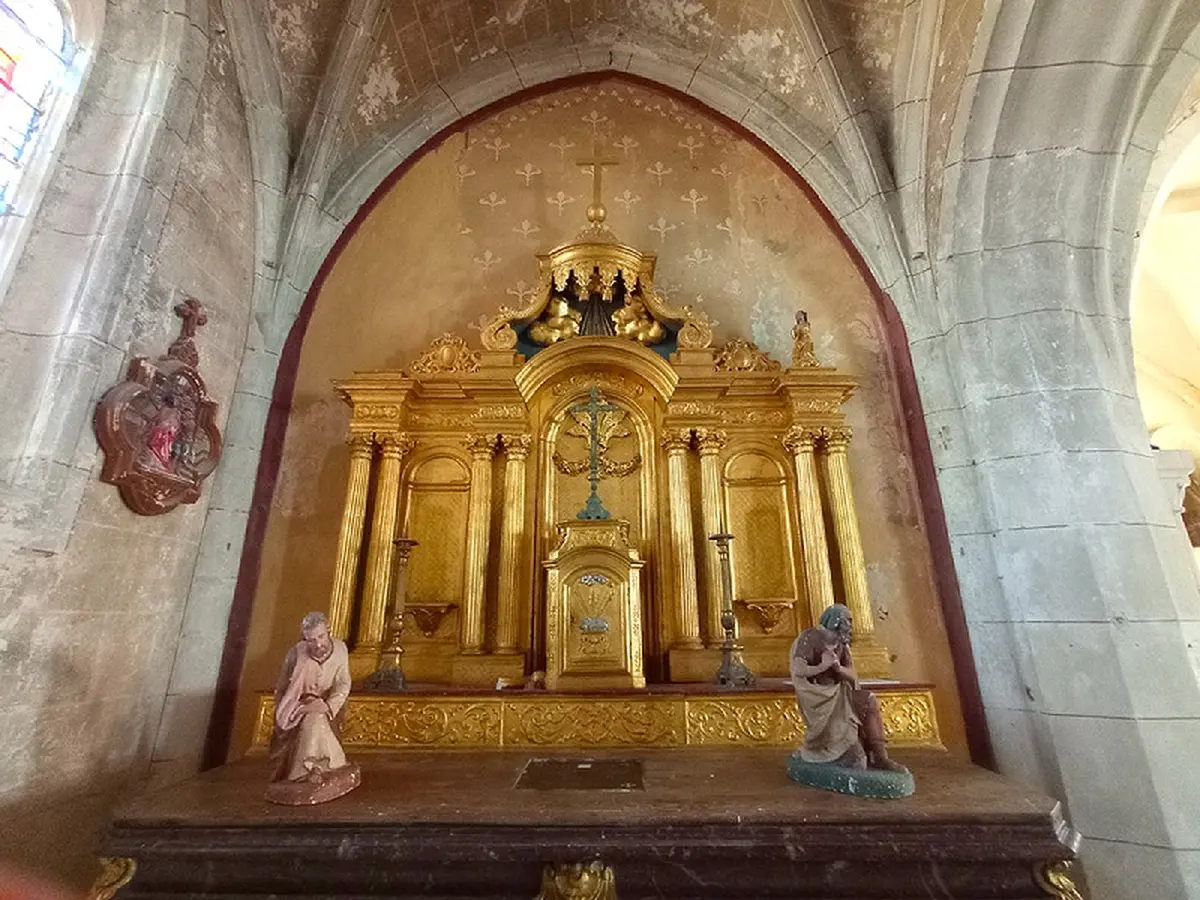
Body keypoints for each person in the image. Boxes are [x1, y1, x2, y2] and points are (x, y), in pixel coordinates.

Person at [790, 603, 904, 771]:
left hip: (840, 695)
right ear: (835, 620)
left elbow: (852, 675)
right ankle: (841, 751)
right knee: (857, 761)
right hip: (819, 698)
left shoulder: (841, 644)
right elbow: (799, 670)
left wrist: (837, 668)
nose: (851, 625)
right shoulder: (811, 638)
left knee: (869, 700)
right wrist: (822, 666)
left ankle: (881, 757)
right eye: (848, 620)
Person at [266, 611, 359, 805]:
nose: (317, 644)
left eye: (321, 637)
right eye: (311, 640)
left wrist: (327, 705)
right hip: (297, 708)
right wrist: (297, 707)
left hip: (326, 706)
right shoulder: (296, 654)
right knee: (312, 719)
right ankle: (307, 769)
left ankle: (319, 767)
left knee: (318, 718)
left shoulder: (340, 650)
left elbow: (343, 684)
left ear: (329, 630)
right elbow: (283, 688)